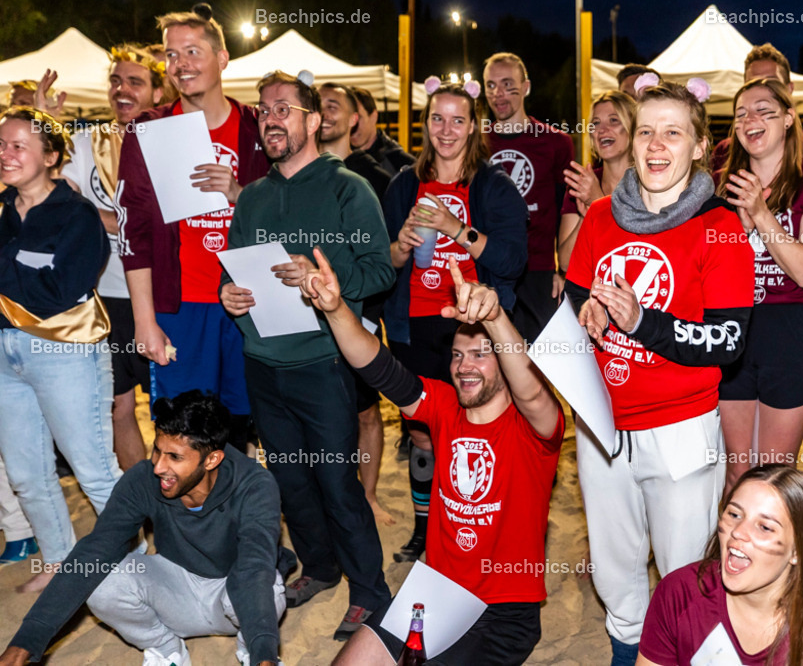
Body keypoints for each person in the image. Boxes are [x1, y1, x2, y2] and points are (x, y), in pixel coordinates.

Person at [563, 75, 754, 664]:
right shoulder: (599, 217)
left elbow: (728, 340)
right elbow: (573, 295)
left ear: (699, 146)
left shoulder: (719, 227)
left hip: (679, 428)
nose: (654, 145)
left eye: (673, 132)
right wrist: (589, 309)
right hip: (602, 423)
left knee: (684, 573)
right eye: (646, 131)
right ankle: (627, 650)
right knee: (616, 567)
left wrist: (641, 321)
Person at [297, 250, 564, 666]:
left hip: (505, 612)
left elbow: (529, 390)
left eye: (480, 354)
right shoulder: (442, 405)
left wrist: (494, 317)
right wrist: (335, 310)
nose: (464, 366)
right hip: (435, 590)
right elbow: (377, 364)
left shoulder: (534, 427)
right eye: (457, 355)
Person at [220, 70, 393, 637]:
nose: (270, 119)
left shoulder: (348, 188)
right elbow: (237, 269)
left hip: (326, 363)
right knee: (291, 481)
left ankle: (371, 592)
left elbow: (378, 271)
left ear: (313, 120)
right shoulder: (255, 197)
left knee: (338, 483)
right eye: (264, 111)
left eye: (284, 109)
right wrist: (231, 295)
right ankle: (319, 567)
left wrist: (322, 275)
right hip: (264, 365)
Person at [0, 391, 286, 666]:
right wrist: (24, 644)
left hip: (235, 598)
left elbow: (252, 568)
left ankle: (252, 652)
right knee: (102, 580)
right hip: (176, 591)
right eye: (157, 450)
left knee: (268, 586)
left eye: (175, 457)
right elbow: (95, 551)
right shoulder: (143, 479)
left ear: (212, 459)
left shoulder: (254, 485)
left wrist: (265, 655)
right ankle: (167, 650)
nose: (159, 466)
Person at [381, 77, 528, 564]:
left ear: (473, 128)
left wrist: (454, 227)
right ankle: (427, 531)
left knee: (481, 430)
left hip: (472, 325)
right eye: (437, 118)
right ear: (426, 124)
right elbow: (385, 267)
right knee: (423, 432)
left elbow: (510, 260)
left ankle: (480, 526)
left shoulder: (494, 186)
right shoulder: (404, 183)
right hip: (414, 326)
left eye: (458, 120)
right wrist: (401, 247)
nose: (446, 130)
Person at [117, 3, 265, 452]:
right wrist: (145, 320)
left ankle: (236, 517)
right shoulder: (151, 128)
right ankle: (191, 521)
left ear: (222, 59)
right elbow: (134, 232)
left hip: (247, 303)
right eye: (172, 54)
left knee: (241, 426)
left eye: (193, 51)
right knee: (182, 430)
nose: (181, 64)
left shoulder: (257, 126)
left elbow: (286, 214)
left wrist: (241, 192)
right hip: (180, 309)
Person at [0, 107, 121, 593]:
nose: (5, 155)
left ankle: (128, 564)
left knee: (94, 470)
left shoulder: (76, 214)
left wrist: (9, 269)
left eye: (17, 146)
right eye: (1, 145)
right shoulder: (3, 209)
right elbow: (33, 283)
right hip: (5, 353)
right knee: (27, 473)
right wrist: (22, 271)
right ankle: (58, 560)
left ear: (51, 156)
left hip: (65, 352)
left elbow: (58, 293)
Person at [715, 78, 803, 489]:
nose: (750, 119)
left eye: (764, 111)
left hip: (791, 328)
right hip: (731, 326)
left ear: (789, 119)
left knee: (772, 471)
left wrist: (761, 211)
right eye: (741, 114)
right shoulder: (720, 183)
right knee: (736, 468)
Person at [638, 464, 803, 666]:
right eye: (734, 514)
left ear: (798, 551)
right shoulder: (680, 593)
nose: (738, 532)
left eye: (765, 527)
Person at [62, 44, 165, 470]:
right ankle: (145, 506)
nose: (121, 90)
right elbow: (60, 201)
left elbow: (175, 225)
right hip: (105, 296)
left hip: (163, 297)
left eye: (135, 82)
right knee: (118, 408)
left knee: (172, 414)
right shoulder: (87, 140)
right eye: (116, 81)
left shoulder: (171, 140)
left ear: (159, 93)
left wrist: (101, 217)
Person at [318, 80, 396, 524]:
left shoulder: (378, 179)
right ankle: (336, 499)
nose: (325, 113)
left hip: (363, 315)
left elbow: (386, 260)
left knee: (366, 411)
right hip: (308, 317)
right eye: (319, 106)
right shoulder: (299, 174)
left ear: (353, 119)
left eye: (335, 105)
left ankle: (367, 496)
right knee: (327, 415)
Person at [482, 52, 574, 341]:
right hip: (487, 269)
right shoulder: (475, 143)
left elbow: (567, 211)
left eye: (508, 84)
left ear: (526, 87)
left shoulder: (556, 143)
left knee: (538, 372)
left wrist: (561, 271)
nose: (498, 94)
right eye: (490, 85)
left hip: (538, 274)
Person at [710, 43, 803, 173]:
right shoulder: (723, 152)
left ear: (789, 89)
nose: (762, 91)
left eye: (772, 83)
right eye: (753, 84)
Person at [558, 89, 635, 270]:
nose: (602, 130)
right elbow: (565, 263)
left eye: (613, 120)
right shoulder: (582, 184)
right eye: (595, 123)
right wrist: (587, 217)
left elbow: (636, 254)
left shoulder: (651, 184)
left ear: (633, 127)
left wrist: (598, 203)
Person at [349, 86, 415, 177]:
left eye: (358, 118)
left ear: (373, 117)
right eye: (347, 118)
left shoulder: (399, 161)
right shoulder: (338, 159)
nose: (352, 125)